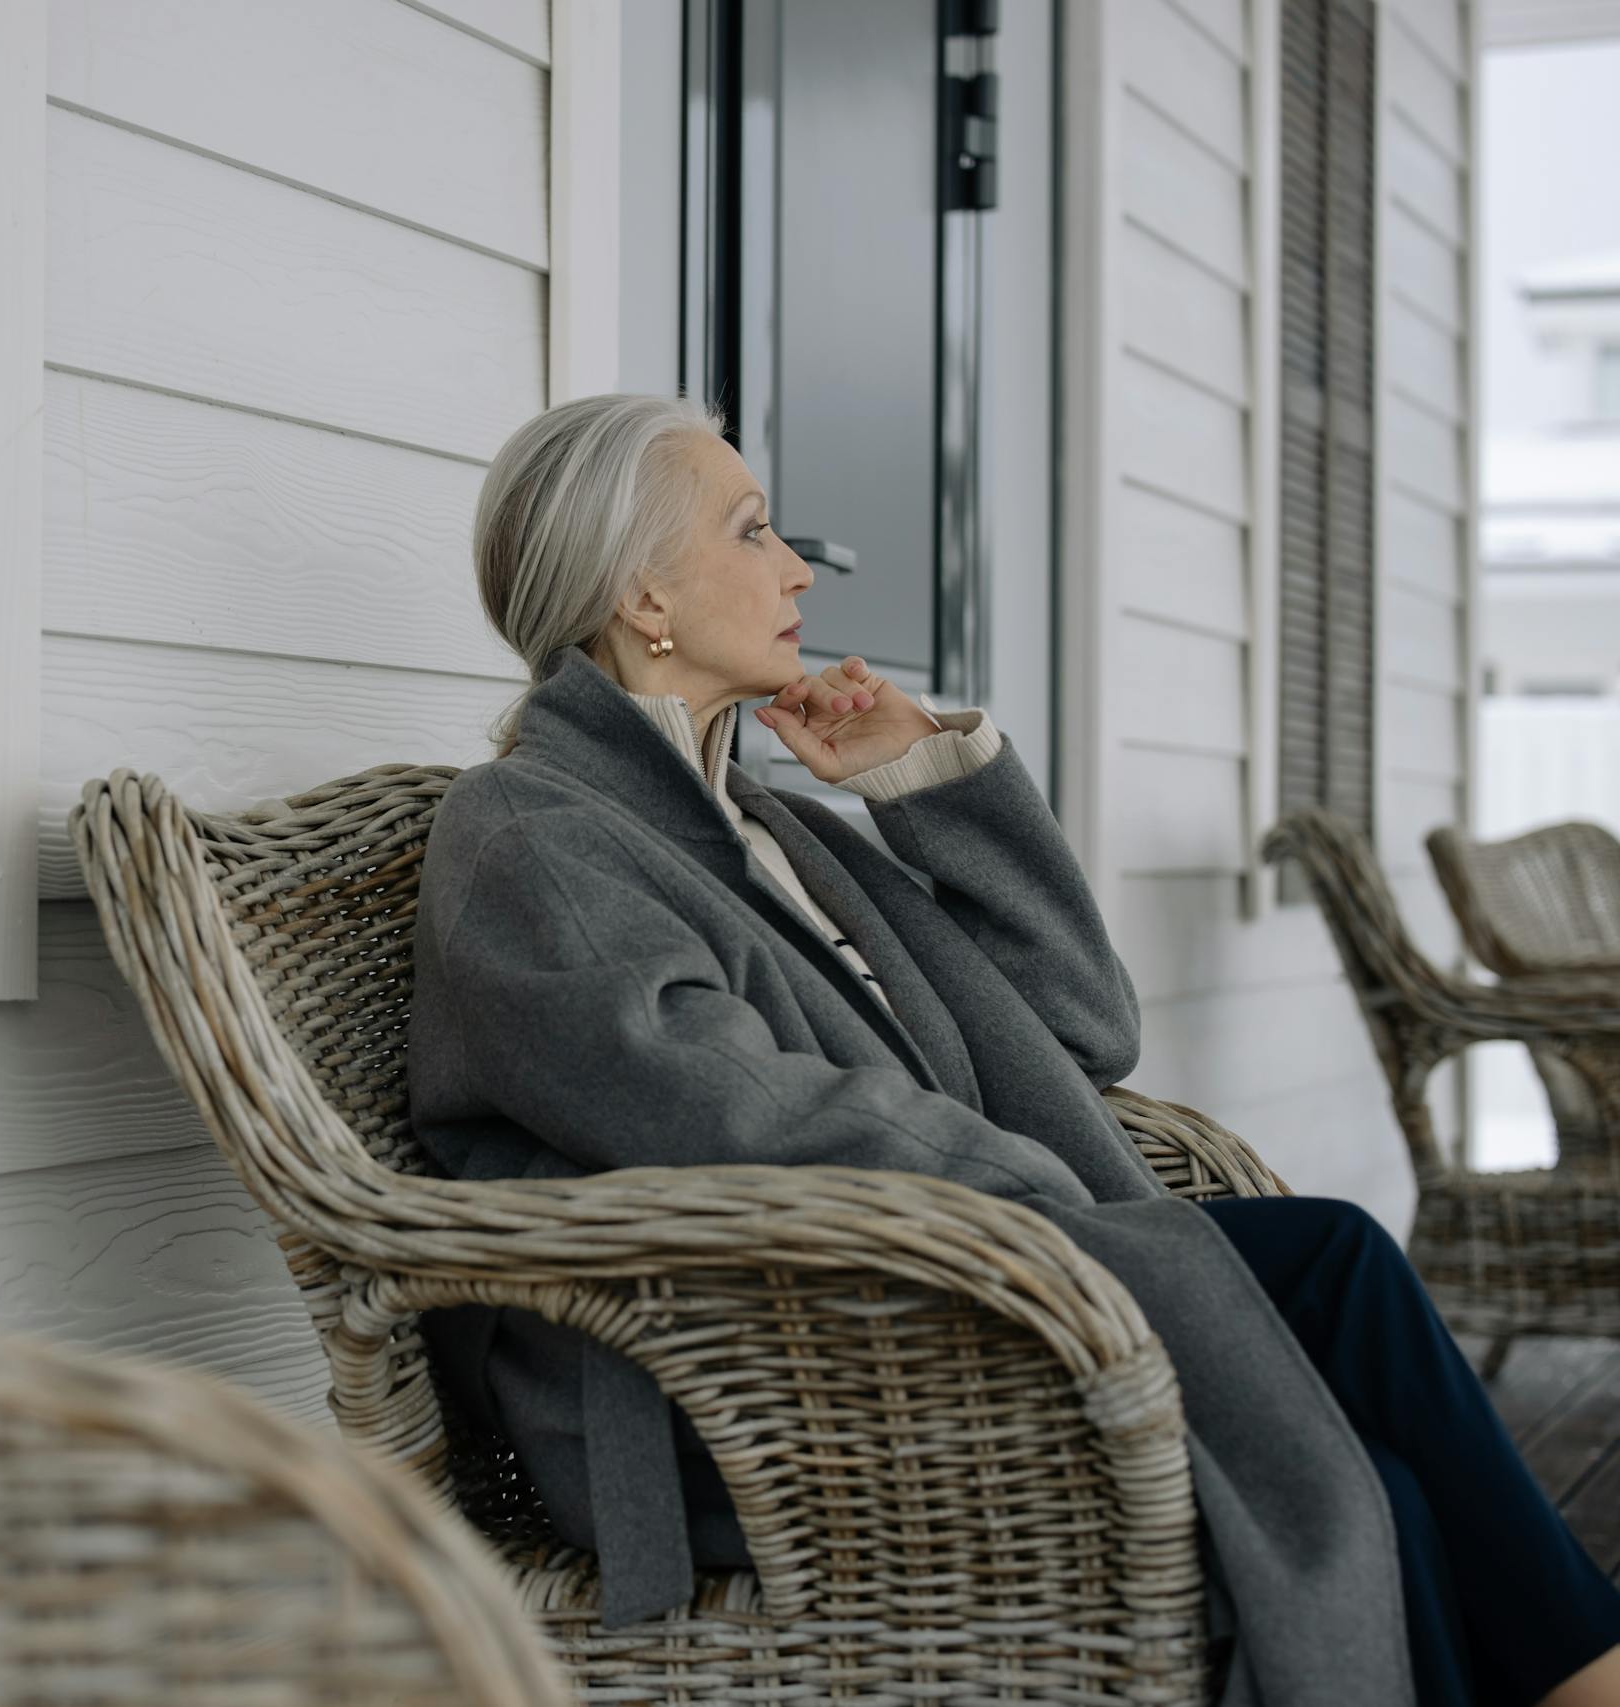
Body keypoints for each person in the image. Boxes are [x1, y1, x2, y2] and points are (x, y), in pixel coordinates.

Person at [403, 391, 1620, 1707]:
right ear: (643, 593)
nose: (800, 568)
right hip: (767, 1376)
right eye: (754, 532)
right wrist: (1037, 1208)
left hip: (937, 1284)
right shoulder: (534, 840)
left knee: (1361, 1483)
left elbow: (1083, 1025)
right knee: (1334, 1273)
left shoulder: (760, 824)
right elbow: (729, 1117)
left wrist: (928, 789)